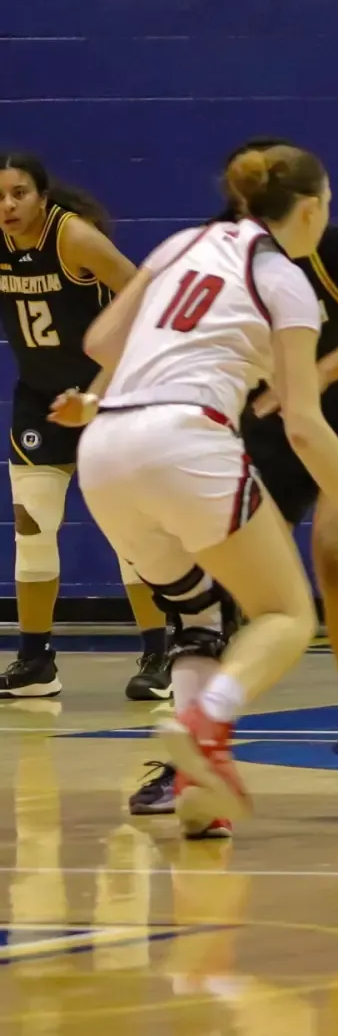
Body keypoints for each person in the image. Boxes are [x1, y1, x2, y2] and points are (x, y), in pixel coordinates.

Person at [64, 144, 338, 840]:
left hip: (103, 449)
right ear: (309, 209)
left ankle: (200, 787)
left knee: (197, 615)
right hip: (185, 440)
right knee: (283, 614)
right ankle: (207, 716)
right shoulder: (285, 280)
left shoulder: (180, 242)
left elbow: (102, 339)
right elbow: (307, 427)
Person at [0, 153, 172, 701]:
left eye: (19, 193)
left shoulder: (72, 239)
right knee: (33, 527)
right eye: (0, 196)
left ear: (42, 196)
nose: (8, 205)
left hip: (106, 397)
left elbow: (148, 299)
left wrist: (99, 390)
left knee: (129, 535)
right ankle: (35, 661)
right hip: (39, 401)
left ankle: (159, 652)